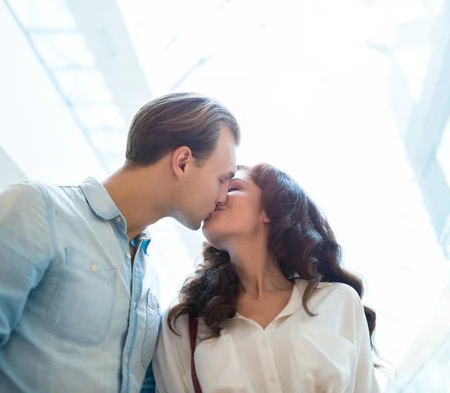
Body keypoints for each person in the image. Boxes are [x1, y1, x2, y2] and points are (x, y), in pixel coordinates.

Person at [0, 93, 239, 393]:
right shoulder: (34, 209)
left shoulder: (150, 281)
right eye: (222, 179)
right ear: (182, 161)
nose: (223, 196)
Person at [154, 163, 380, 392]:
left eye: (232, 188)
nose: (217, 197)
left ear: (269, 211)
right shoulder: (183, 325)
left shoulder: (339, 302)